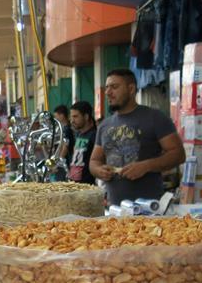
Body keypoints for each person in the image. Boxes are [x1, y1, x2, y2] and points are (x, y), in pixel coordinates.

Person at [90, 68, 185, 205]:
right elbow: (94, 161)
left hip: (150, 209)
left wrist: (146, 166)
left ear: (131, 89)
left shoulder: (155, 117)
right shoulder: (104, 126)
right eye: (107, 88)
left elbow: (178, 154)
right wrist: (99, 170)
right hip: (115, 209)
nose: (108, 93)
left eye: (114, 87)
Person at [67, 100, 98, 185]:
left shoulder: (94, 136)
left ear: (86, 116)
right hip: (74, 185)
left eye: (75, 116)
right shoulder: (78, 135)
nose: (72, 120)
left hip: (88, 186)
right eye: (71, 117)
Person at [54, 104, 73, 181]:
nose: (55, 118)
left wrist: (60, 160)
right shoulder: (62, 128)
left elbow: (65, 145)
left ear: (62, 115)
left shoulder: (67, 129)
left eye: (56, 116)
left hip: (66, 161)